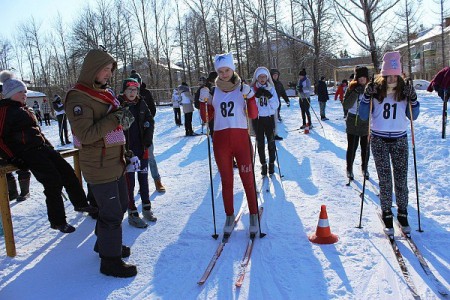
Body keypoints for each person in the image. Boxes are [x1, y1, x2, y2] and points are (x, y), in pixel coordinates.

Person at [65, 49, 137, 278]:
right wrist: (115, 117)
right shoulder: (78, 97)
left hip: (114, 161)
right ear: (92, 69)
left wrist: (121, 119)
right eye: (105, 69)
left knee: (121, 205)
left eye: (110, 70)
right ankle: (110, 261)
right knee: (112, 214)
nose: (108, 74)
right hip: (98, 164)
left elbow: (110, 124)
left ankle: (105, 244)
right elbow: (85, 135)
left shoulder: (103, 94)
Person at [0, 70, 97, 234]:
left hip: (42, 149)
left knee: (68, 172)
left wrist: (50, 148)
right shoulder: (5, 110)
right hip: (27, 152)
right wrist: (13, 158)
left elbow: (38, 132)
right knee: (53, 182)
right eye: (20, 92)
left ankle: (80, 203)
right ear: (11, 94)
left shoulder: (25, 109)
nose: (24, 94)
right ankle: (58, 221)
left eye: (24, 91)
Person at [359, 51, 420, 235]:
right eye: (388, 75)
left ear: (400, 73)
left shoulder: (405, 89)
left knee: (401, 179)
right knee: (385, 180)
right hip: (378, 139)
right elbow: (363, 116)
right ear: (383, 74)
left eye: (395, 74)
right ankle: (386, 212)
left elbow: (413, 116)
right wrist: (366, 97)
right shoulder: (375, 89)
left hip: (400, 139)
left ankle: (402, 212)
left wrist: (414, 99)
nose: (392, 78)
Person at [199, 52, 259, 236]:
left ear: (232, 69)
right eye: (221, 71)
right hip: (221, 141)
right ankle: (229, 215)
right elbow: (205, 118)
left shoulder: (243, 88)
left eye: (227, 70)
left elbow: (254, 115)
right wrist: (203, 102)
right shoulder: (213, 91)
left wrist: (250, 97)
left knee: (248, 179)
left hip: (241, 139)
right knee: (227, 181)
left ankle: (254, 215)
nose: (224, 74)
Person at [119, 78, 157, 228]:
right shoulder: (119, 104)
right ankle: (132, 213)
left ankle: (146, 208)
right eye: (129, 90)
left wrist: (147, 140)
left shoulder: (141, 103)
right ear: (124, 91)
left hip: (142, 149)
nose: (132, 93)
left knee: (143, 179)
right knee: (130, 183)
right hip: (127, 152)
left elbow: (150, 121)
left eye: (135, 90)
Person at [129, 71, 166, 192]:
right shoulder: (127, 94)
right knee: (135, 158)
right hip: (133, 133)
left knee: (149, 156)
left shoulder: (146, 93)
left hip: (145, 131)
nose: (135, 88)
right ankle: (142, 184)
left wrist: (147, 121)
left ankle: (157, 180)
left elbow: (152, 110)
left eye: (137, 83)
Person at [342, 66, 370, 180]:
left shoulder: (371, 88)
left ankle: (364, 168)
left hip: (365, 120)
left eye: (364, 77)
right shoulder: (351, 88)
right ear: (356, 78)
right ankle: (349, 168)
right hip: (353, 120)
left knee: (365, 147)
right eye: (360, 77)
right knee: (352, 147)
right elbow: (346, 105)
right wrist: (354, 93)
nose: (362, 79)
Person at [251, 67, 279, 176]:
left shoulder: (271, 88)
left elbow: (276, 105)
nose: (262, 79)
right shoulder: (253, 89)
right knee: (260, 143)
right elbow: (249, 106)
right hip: (258, 120)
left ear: (267, 77)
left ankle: (271, 163)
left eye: (264, 77)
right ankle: (263, 164)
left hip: (269, 118)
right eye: (260, 77)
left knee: (271, 142)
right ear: (257, 78)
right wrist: (256, 97)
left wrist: (270, 96)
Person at [270, 68, 290, 140]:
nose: (275, 76)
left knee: (275, 120)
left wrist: (287, 100)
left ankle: (275, 134)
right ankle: (270, 134)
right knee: (270, 120)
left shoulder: (279, 83)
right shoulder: (269, 84)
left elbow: (283, 93)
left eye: (276, 75)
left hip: (277, 103)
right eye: (274, 75)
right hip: (269, 104)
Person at [198, 71, 218, 138]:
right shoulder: (207, 86)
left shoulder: (211, 85)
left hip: (213, 109)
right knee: (213, 128)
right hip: (211, 109)